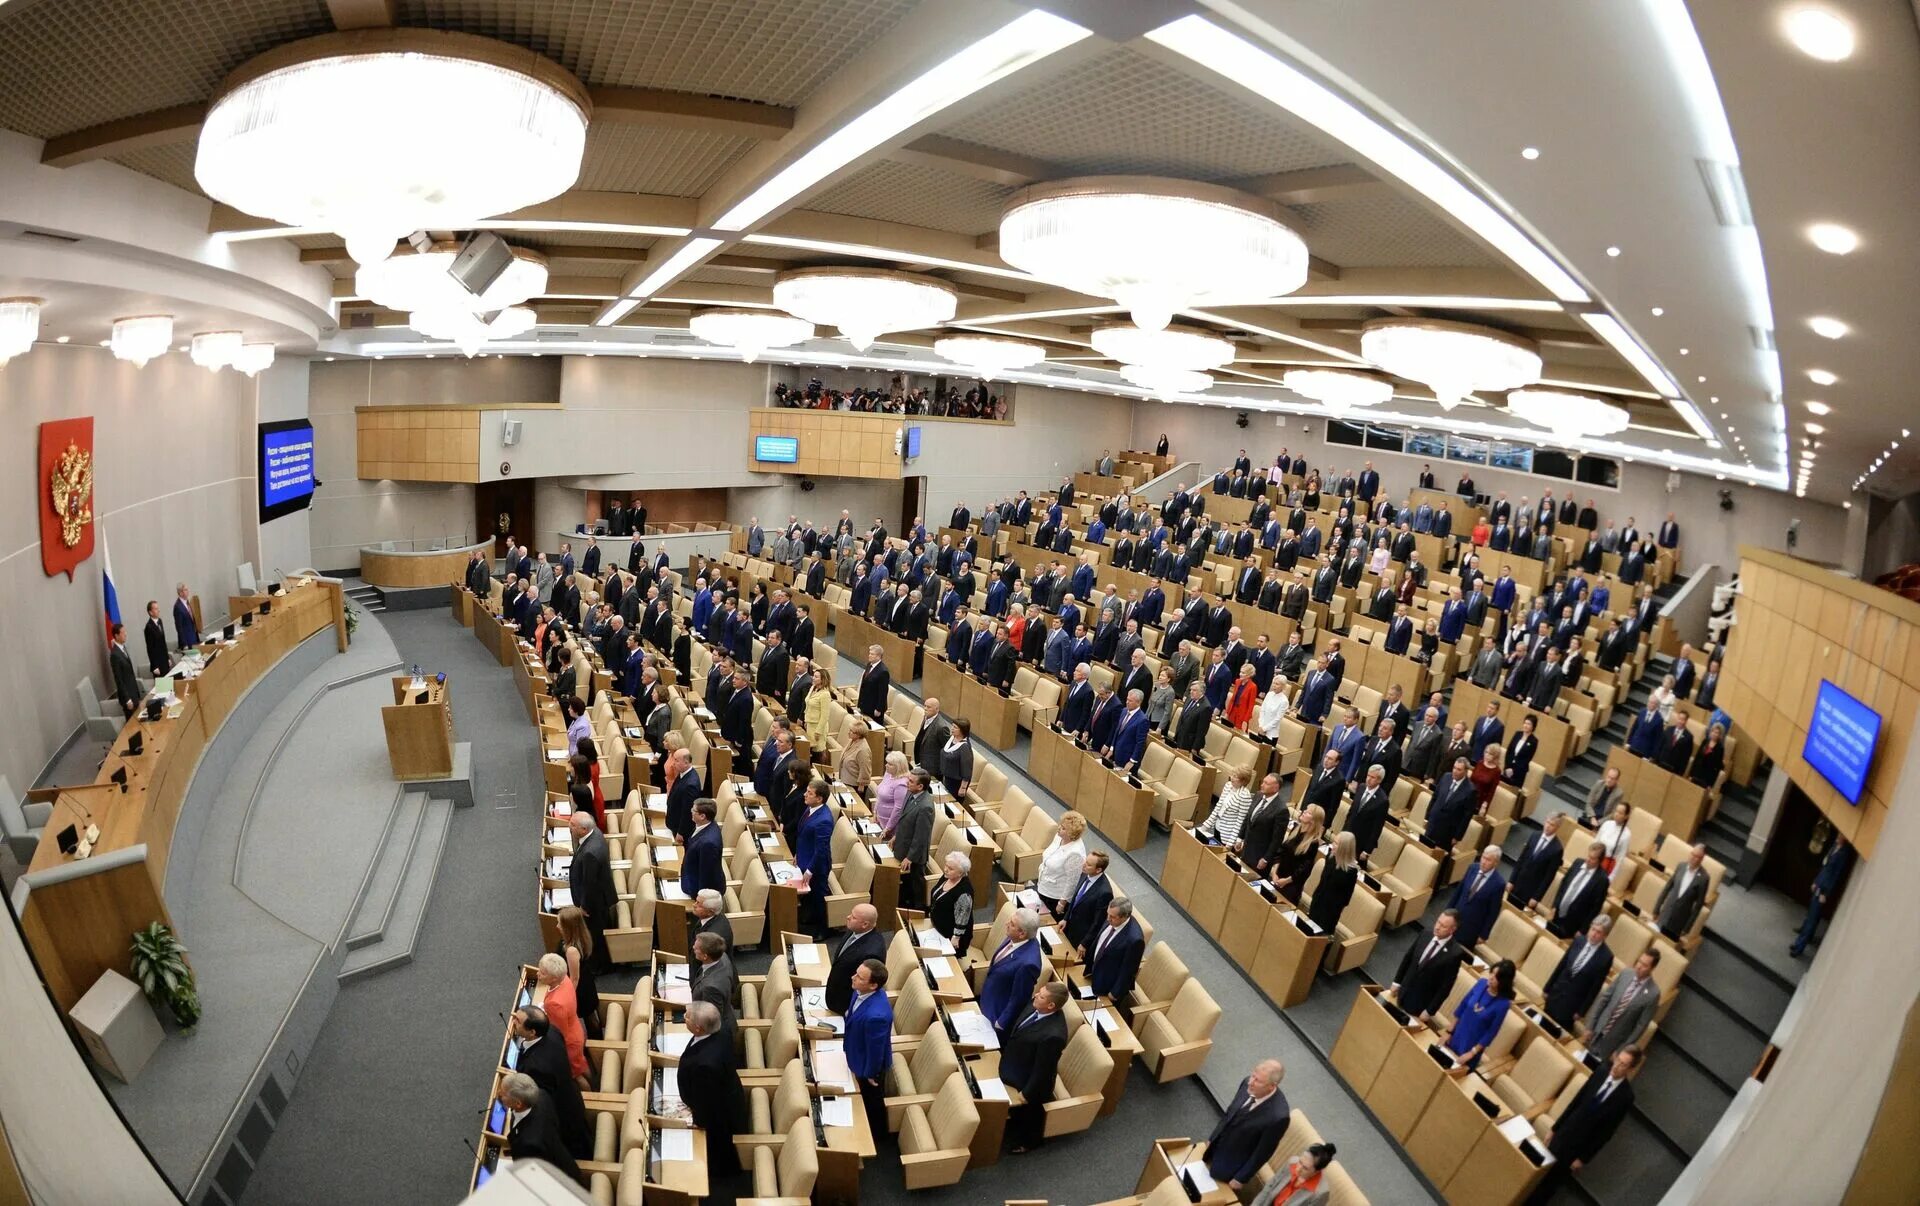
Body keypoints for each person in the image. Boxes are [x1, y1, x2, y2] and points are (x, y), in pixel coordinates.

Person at [1526, 1047, 1643, 1204]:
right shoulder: (1601, 1072)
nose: (1616, 1066)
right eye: (1617, 1060)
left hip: (1579, 1146)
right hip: (1565, 1131)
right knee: (1539, 1174)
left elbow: (1606, 1133)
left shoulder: (1625, 1097)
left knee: (1550, 1185)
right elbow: (1576, 1101)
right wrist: (1554, 1129)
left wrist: (1583, 1158)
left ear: (1630, 1069)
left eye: (1623, 1064)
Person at [1203, 1059, 1291, 1201]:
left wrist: (1240, 1178)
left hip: (1232, 1162)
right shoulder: (1247, 1083)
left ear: (1272, 1086)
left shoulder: (1278, 1117)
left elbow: (1263, 1152)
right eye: (1253, 1076)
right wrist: (1212, 1138)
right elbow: (1230, 1113)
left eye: (1258, 1081)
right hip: (1217, 1146)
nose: (1251, 1082)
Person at [510, 1006, 591, 1160]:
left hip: (562, 1114)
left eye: (518, 1021)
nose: (513, 1022)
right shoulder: (552, 1031)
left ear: (532, 1032)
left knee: (576, 1148)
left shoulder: (534, 1067)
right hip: (571, 1094)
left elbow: (538, 1098)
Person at [675, 1001, 746, 1173]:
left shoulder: (705, 1067)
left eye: (687, 1017)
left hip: (716, 1115)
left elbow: (705, 1105)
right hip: (722, 1093)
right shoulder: (721, 1031)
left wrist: (693, 1118)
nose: (684, 1019)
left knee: (717, 1148)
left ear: (698, 1028)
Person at [1002, 982, 1071, 1153]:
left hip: (1029, 1081)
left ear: (1051, 1005)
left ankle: (1029, 1143)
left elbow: (1043, 1070)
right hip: (1015, 1060)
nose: (1035, 996)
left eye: (1040, 996)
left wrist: (1027, 1093)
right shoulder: (1036, 1006)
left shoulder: (1054, 1036)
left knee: (1030, 1116)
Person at [496, 1072, 582, 1182]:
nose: (499, 1094)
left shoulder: (529, 1143)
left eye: (503, 1094)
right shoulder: (542, 1095)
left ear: (518, 1104)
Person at [843, 959, 895, 1140]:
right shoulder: (859, 990)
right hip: (855, 1049)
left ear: (873, 985)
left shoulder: (877, 1016)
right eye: (856, 973)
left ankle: (876, 1137)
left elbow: (875, 1050)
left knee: (871, 1102)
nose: (853, 978)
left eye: (860, 977)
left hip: (868, 1068)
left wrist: (871, 1074)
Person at [1389, 909, 1466, 1022]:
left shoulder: (1454, 954)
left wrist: (1429, 1011)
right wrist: (1397, 982)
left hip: (1419, 1005)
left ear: (1452, 929)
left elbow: (1445, 987)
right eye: (1438, 922)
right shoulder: (1426, 933)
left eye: (1443, 926)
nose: (1437, 927)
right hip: (1402, 992)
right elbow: (1408, 958)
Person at [1583, 950, 1661, 1059]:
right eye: (1639, 961)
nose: (1639, 966)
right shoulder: (1626, 973)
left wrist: (1621, 1049)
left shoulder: (1653, 993)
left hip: (1613, 1043)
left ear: (1652, 968)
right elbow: (1605, 999)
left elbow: (1640, 1026)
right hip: (1596, 1029)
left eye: (1644, 965)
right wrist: (1590, 1025)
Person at [1543, 917, 1615, 1029]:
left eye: (1598, 932)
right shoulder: (1579, 940)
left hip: (1571, 1005)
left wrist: (1581, 1012)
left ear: (1605, 936)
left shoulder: (1606, 957)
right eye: (1593, 929)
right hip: (1555, 993)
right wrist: (1547, 988)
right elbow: (1561, 965)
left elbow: (1595, 988)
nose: (1593, 934)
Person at [567, 813, 617, 973]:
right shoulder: (595, 833)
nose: (569, 827)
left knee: (595, 935)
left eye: (572, 825)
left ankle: (601, 966)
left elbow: (590, 884)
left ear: (583, 829)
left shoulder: (590, 852)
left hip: (594, 904)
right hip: (600, 896)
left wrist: (584, 906)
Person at [980, 908, 1045, 1030]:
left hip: (997, 1013)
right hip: (988, 997)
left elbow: (1019, 999)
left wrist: (1001, 1023)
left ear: (1022, 933)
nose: (1007, 924)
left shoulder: (1028, 965)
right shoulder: (1015, 937)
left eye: (1012, 924)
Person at [1445, 959, 1515, 1070]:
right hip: (1456, 1035)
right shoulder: (1481, 983)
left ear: (1504, 982)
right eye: (1492, 973)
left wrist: (1472, 1053)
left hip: (1470, 1047)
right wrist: (1448, 1032)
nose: (1491, 977)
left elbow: (1491, 1032)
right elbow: (1462, 1006)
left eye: (1496, 977)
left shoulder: (1503, 1004)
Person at [533, 953, 589, 1086]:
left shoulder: (554, 1004)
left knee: (576, 1075)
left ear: (553, 978)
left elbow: (557, 1032)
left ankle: (592, 1096)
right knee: (581, 1064)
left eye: (543, 973)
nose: (538, 974)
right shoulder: (565, 980)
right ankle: (594, 1084)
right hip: (576, 1029)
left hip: (569, 1043)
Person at [1792, 833, 1852, 957]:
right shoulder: (1835, 846)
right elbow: (1825, 867)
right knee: (1810, 915)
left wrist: (1825, 892)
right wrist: (1816, 881)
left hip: (1824, 890)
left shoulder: (1843, 854)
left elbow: (1835, 875)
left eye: (1841, 835)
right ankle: (1803, 938)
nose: (1838, 835)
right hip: (1820, 883)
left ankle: (1799, 947)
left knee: (1812, 919)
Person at [824, 904, 886, 1015]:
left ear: (865, 924)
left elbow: (864, 986)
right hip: (833, 990)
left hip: (843, 1005)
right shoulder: (855, 930)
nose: (848, 917)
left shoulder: (872, 953)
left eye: (853, 917)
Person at [793, 779, 835, 936]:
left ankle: (823, 930)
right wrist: (798, 854)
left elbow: (821, 850)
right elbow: (804, 836)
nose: (805, 794)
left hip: (817, 866)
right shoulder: (810, 808)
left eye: (809, 793)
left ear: (819, 798)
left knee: (819, 897)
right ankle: (810, 919)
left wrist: (810, 870)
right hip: (804, 857)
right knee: (810, 896)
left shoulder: (824, 820)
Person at [1084, 897, 1146, 1000]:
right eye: (1108, 914)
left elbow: (1128, 971)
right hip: (1092, 974)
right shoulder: (1112, 918)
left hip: (1106, 987)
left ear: (1124, 917)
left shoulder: (1135, 940)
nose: (1108, 918)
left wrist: (1115, 993)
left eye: (1112, 916)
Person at [553, 906, 601, 1038]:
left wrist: (567, 997)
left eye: (560, 923)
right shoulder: (579, 937)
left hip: (581, 990)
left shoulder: (571, 950)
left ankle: (596, 1045)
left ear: (569, 927)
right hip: (586, 982)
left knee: (589, 1018)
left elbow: (574, 978)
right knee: (590, 1016)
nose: (557, 926)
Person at [891, 768, 936, 910]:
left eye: (911, 781)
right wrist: (896, 836)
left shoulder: (926, 807)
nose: (907, 782)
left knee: (916, 883)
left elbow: (921, 836)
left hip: (915, 855)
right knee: (907, 882)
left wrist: (910, 857)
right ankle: (905, 903)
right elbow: (904, 819)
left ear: (920, 786)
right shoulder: (910, 793)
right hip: (903, 843)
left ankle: (919, 911)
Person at [1548, 841, 1612, 938]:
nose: (1588, 860)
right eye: (1588, 856)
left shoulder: (1602, 880)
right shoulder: (1577, 863)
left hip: (1572, 925)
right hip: (1556, 914)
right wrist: (1555, 906)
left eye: (1592, 859)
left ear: (1600, 861)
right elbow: (1563, 885)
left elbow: (1595, 909)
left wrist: (1583, 930)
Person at [1449, 846, 1508, 949]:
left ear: (1496, 863)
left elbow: (1493, 912)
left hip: (1471, 928)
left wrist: (1484, 935)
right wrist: (1447, 911)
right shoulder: (1472, 868)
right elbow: (1458, 891)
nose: (1484, 862)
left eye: (1488, 860)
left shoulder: (1499, 884)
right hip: (1454, 918)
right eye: (1483, 857)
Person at [1267, 805, 1325, 905]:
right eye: (1305, 809)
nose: (1304, 812)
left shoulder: (1313, 843)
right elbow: (1281, 851)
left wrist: (1286, 881)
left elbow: (1304, 869)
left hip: (1291, 885)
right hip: (1277, 876)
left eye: (1308, 812)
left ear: (1313, 821)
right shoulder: (1295, 828)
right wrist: (1274, 871)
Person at [1033, 810, 1088, 915]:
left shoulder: (1075, 853)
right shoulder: (1059, 836)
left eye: (1063, 828)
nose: (1059, 828)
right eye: (1060, 825)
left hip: (1055, 896)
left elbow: (1072, 882)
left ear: (1071, 834)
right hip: (1043, 884)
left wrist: (1062, 903)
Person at [1507, 813, 1566, 909]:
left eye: (1552, 825)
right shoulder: (1535, 835)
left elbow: (1548, 877)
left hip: (1531, 891)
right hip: (1518, 883)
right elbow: (1521, 859)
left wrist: (1536, 897)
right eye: (1547, 822)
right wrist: (1511, 880)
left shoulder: (1557, 849)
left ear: (1557, 827)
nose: (1547, 826)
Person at [1250, 1143, 1338, 1206]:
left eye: (1305, 1168)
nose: (1298, 1168)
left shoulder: (1320, 1193)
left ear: (1317, 1171)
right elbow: (1269, 1186)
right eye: (1300, 1162)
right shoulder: (1292, 1162)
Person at [1306, 832, 1361, 933]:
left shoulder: (1350, 872)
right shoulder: (1330, 857)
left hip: (1329, 912)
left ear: (1344, 848)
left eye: (1336, 843)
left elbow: (1346, 898)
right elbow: (1323, 881)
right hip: (1318, 900)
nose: (1332, 845)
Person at [926, 850, 975, 951]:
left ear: (961, 873)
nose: (946, 870)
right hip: (937, 927)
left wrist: (956, 937)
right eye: (946, 866)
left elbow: (962, 917)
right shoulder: (947, 877)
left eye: (951, 869)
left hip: (949, 936)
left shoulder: (964, 892)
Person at [1197, 767, 1254, 847]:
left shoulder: (1245, 796)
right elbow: (1218, 807)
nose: (1232, 778)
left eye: (1235, 776)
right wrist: (1205, 826)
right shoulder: (1228, 785)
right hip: (1217, 826)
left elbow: (1240, 822)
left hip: (1228, 835)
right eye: (1232, 775)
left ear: (1243, 781)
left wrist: (1230, 844)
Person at [680, 799, 724, 899]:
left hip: (698, 892)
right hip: (690, 878)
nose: (691, 811)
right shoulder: (706, 825)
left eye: (694, 810)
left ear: (702, 816)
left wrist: (699, 899)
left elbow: (707, 876)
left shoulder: (708, 844)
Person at [108, 624, 142, 716]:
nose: (125, 634)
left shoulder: (123, 648)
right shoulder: (115, 655)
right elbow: (118, 679)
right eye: (123, 633)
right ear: (116, 636)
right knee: (133, 726)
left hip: (133, 692)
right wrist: (127, 699)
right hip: (128, 698)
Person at [873, 751, 909, 831]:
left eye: (890, 764)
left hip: (891, 826)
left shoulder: (901, 784)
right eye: (887, 763)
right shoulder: (888, 774)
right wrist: (875, 812)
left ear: (898, 766)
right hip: (879, 820)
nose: (886, 765)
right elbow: (879, 795)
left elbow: (898, 808)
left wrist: (888, 827)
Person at [142, 600, 170, 677]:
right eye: (156, 609)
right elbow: (150, 648)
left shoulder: (160, 621)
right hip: (157, 663)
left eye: (158, 608)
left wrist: (168, 658)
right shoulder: (149, 627)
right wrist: (154, 666)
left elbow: (163, 642)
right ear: (150, 612)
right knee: (162, 686)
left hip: (164, 660)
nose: (158, 610)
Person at [172, 583, 199, 650]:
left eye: (187, 589)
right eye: (185, 590)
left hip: (194, 639)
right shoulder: (178, 607)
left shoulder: (187, 602)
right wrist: (184, 644)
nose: (188, 591)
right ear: (180, 593)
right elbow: (179, 627)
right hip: (187, 642)